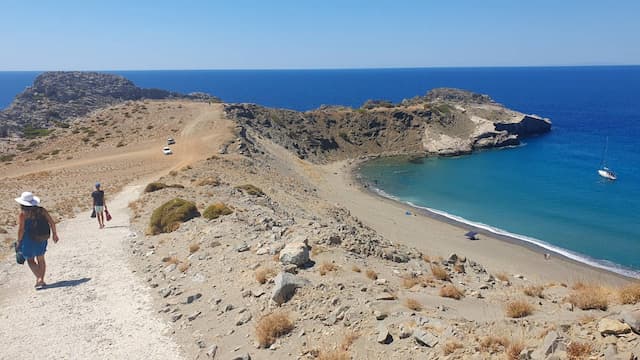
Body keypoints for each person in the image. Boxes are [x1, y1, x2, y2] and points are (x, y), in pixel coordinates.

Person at [15, 191, 59, 289]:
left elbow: (21, 229)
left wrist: (19, 241)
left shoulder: (23, 214)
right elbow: (52, 222)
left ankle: (39, 278)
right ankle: (41, 279)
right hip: (41, 237)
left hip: (28, 239)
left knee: (30, 260)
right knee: (41, 259)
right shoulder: (42, 210)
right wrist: (55, 234)